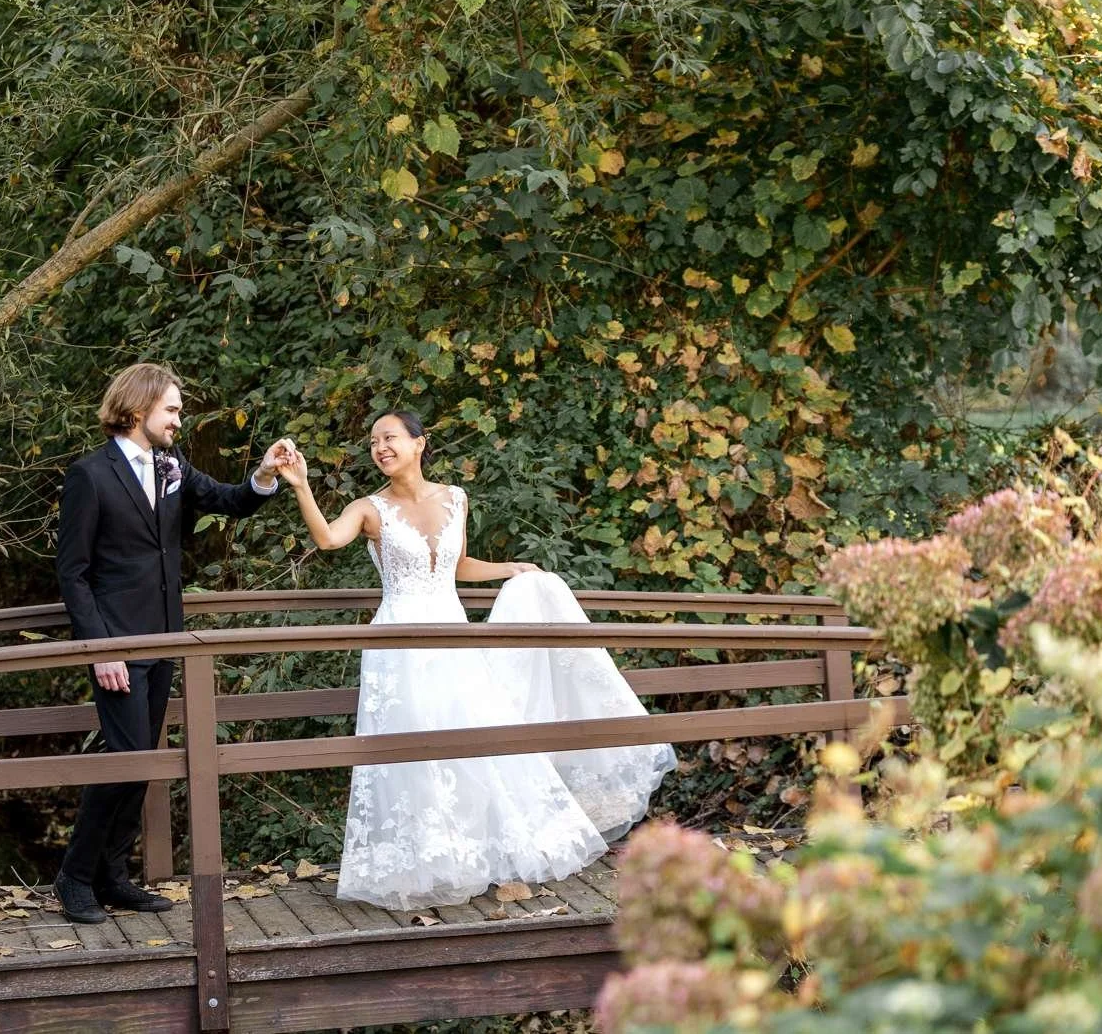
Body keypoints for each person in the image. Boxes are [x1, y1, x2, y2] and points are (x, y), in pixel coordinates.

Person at [276, 410, 675, 911]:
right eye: (374, 441)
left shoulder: (455, 498)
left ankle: (477, 855)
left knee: (473, 739)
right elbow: (328, 540)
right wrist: (301, 487)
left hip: (453, 633)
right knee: (416, 745)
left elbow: (458, 565)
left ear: (419, 443)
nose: (380, 447)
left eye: (390, 437)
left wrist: (511, 568)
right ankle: (432, 861)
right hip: (399, 641)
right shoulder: (369, 508)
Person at [50, 362, 297, 924]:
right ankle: (75, 876)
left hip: (165, 635)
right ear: (138, 411)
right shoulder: (89, 475)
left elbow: (230, 500)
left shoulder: (171, 465)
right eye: (173, 410)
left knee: (144, 762)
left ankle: (114, 875)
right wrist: (100, 649)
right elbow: (74, 573)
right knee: (127, 759)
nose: (178, 420)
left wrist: (263, 474)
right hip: (115, 643)